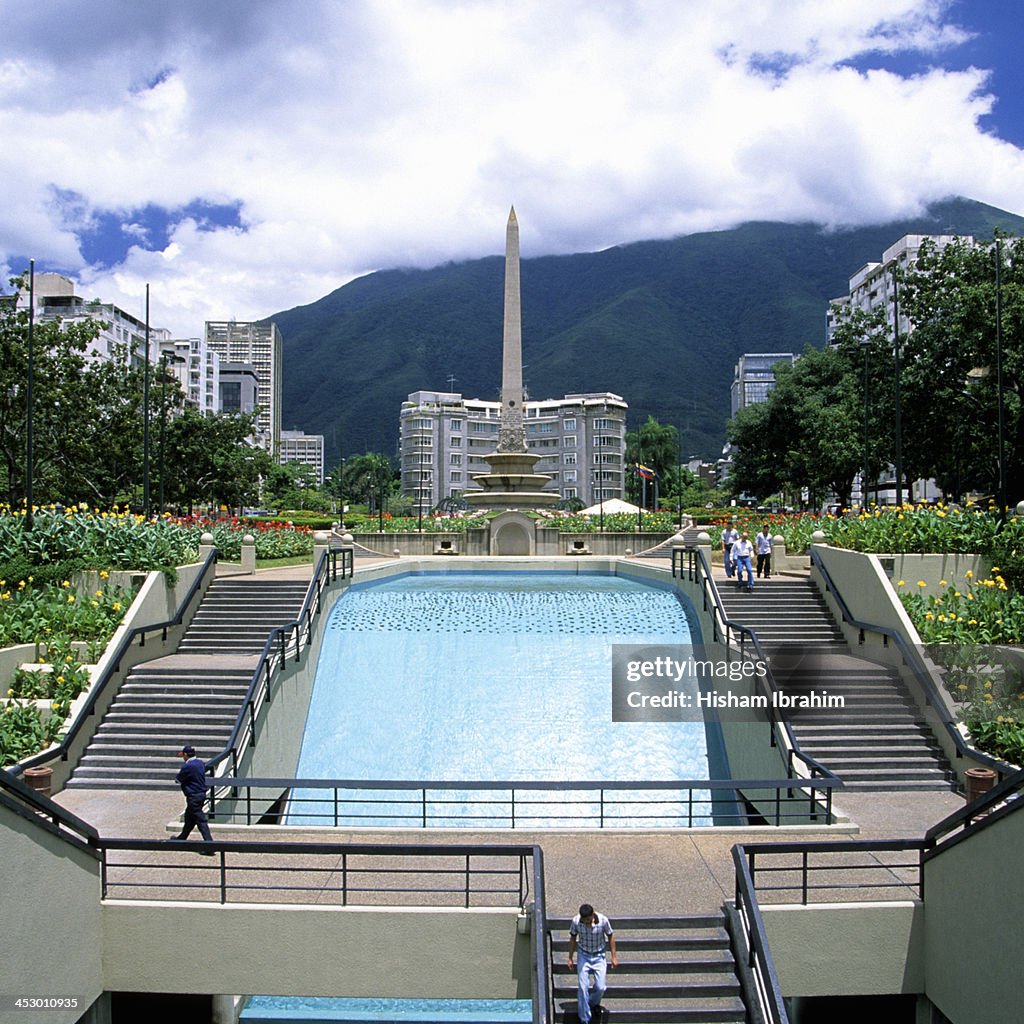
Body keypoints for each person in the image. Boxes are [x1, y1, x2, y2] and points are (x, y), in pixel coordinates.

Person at [567, 903, 618, 1023]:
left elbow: (611, 937)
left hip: (599, 955)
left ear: (593, 914)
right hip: (584, 954)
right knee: (583, 987)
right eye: (585, 921)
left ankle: (590, 1002)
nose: (588, 924)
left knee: (601, 987)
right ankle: (584, 1018)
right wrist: (570, 957)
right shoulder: (576, 922)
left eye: (589, 920)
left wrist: (614, 957)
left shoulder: (603, 921)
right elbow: (573, 938)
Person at [169, 745, 215, 853]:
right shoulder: (200, 763)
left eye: (183, 755)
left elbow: (179, 779)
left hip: (193, 796)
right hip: (201, 794)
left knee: (200, 821)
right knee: (189, 818)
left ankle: (210, 845)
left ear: (185, 755)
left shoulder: (187, 766)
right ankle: (182, 838)